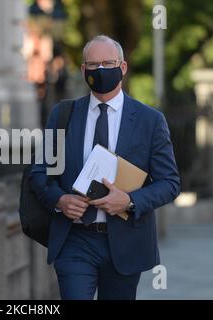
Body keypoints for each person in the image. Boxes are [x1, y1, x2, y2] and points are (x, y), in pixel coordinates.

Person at [30, 35, 180, 300]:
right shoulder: (63, 115)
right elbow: (40, 173)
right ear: (83, 70)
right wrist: (60, 200)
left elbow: (169, 183)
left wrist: (129, 201)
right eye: (93, 64)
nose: (100, 70)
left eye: (108, 63)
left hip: (125, 243)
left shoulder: (150, 120)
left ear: (122, 67)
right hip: (75, 240)